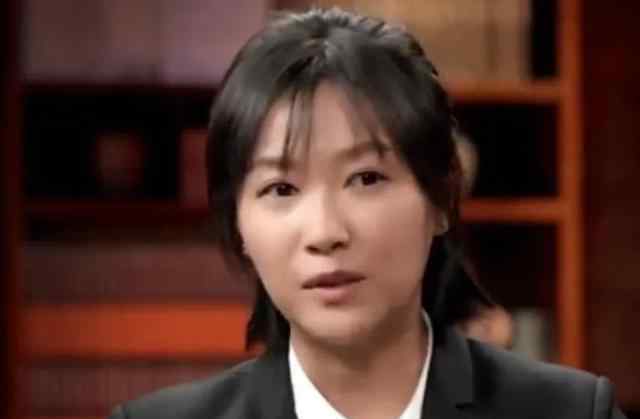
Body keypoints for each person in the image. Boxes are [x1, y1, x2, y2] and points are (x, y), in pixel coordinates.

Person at [109, 7, 627, 419]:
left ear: (441, 199)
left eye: (366, 179)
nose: (325, 232)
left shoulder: (570, 412)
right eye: (281, 188)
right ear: (238, 224)